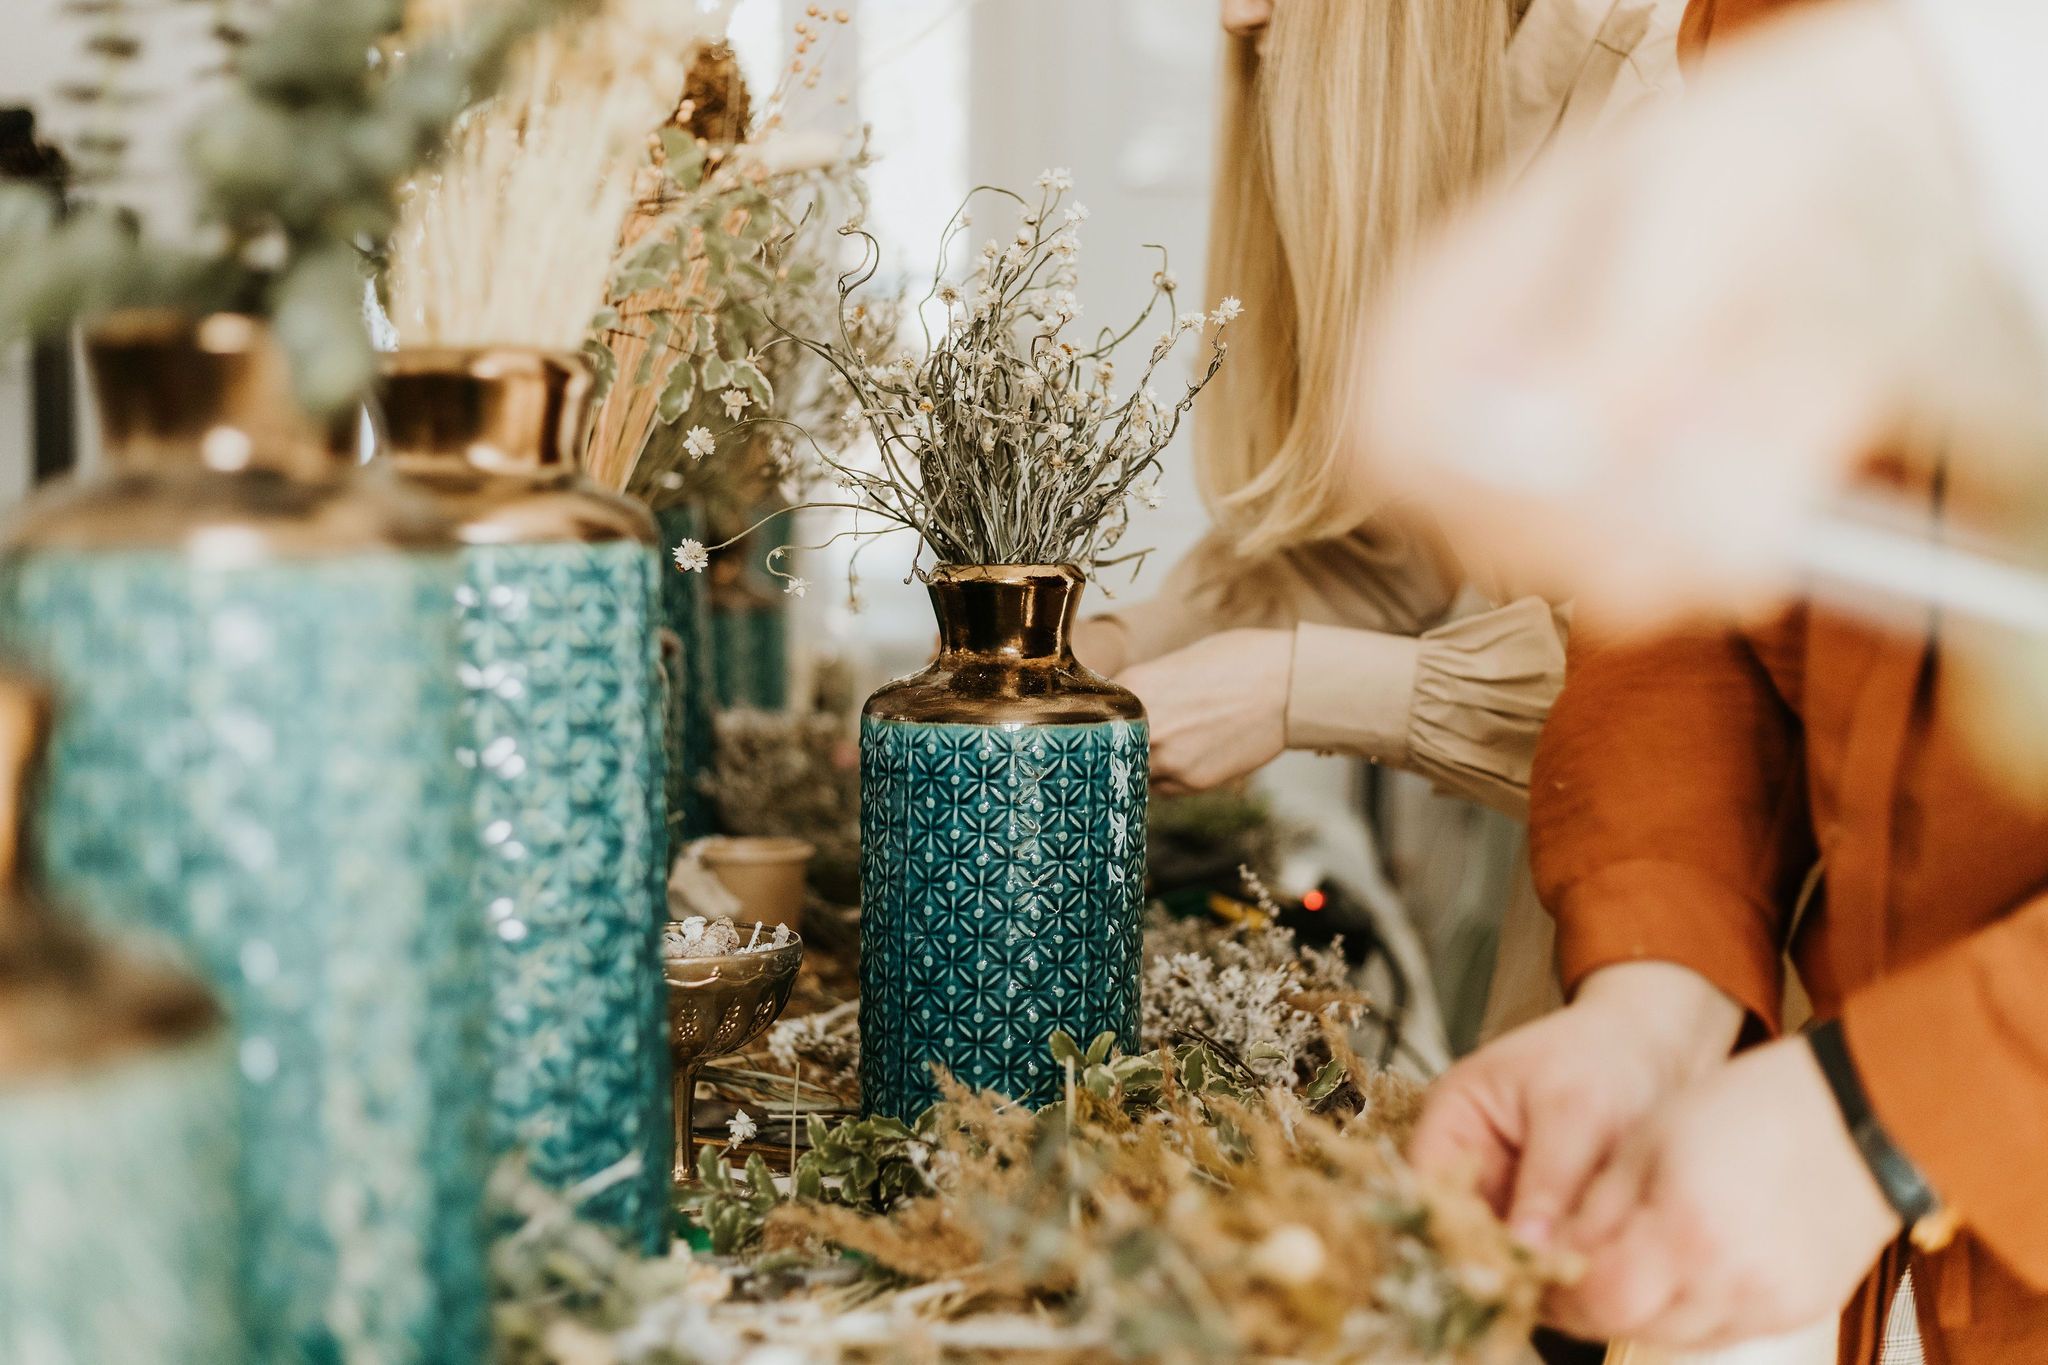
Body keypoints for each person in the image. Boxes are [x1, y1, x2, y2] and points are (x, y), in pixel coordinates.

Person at [1384, 2, 2048, 1361]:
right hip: (1854, 1247)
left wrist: (1900, 1113)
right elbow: (1714, 607)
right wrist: (1653, 1002)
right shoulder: (1763, 25)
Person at [1073, 0, 1686, 1047]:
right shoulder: (1483, 104)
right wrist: (1118, 647)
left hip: (1719, 965)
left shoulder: (1664, 92)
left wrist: (1294, 689)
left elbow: (1699, 693)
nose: (1234, 12)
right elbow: (1400, 544)